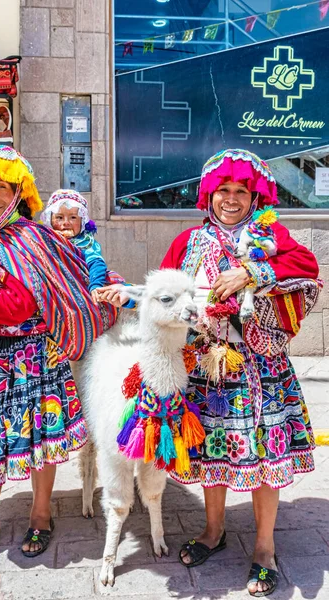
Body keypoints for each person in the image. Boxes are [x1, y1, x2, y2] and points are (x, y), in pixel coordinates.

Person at [99, 149, 321, 597]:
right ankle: (213, 531)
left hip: (257, 368)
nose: (232, 199)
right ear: (209, 194)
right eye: (224, 190)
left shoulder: (270, 235)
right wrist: (128, 295)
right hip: (201, 367)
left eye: (241, 191)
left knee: (262, 462)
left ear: (255, 194)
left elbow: (306, 269)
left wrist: (250, 273)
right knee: (212, 455)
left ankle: (263, 549)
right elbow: (163, 290)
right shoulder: (189, 242)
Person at [0, 145, 120, 563]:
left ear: (20, 193)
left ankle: (41, 515)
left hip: (34, 357)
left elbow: (22, 304)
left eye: (3, 186)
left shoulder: (34, 239)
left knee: (41, 442)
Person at [41, 189, 107, 303]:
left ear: (82, 221)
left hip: (79, 293)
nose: (66, 222)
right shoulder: (43, 241)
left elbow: (96, 263)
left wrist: (95, 285)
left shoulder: (85, 244)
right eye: (59, 218)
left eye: (73, 217)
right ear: (50, 221)